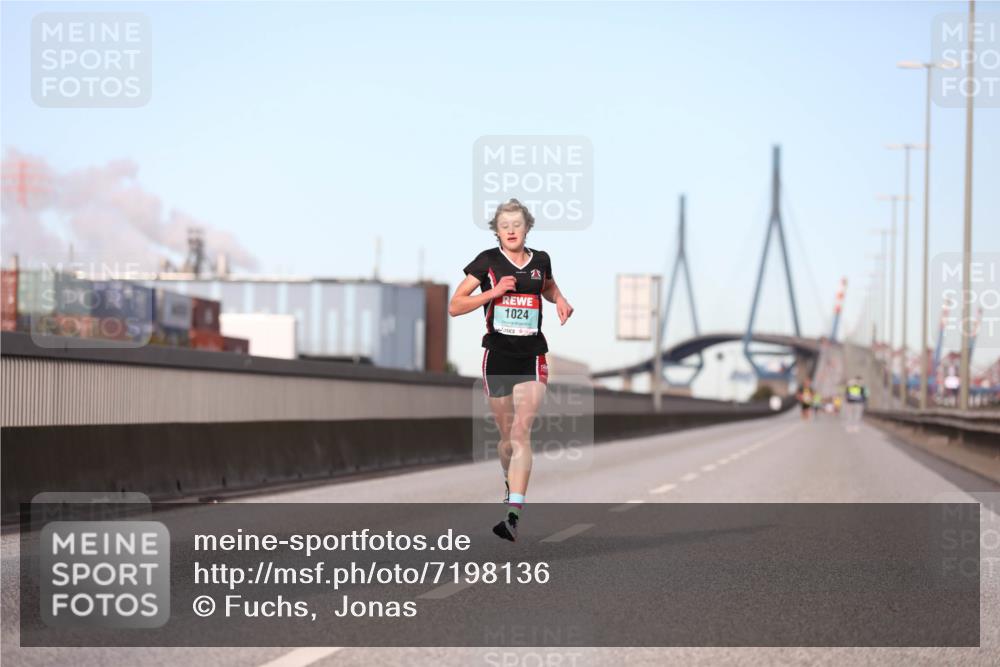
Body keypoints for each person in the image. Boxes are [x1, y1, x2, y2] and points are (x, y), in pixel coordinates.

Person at [449, 198, 574, 542]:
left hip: (532, 355)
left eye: (517, 224)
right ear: (497, 231)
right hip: (498, 357)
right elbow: (455, 306)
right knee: (506, 440)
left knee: (521, 433)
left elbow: (547, 286)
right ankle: (510, 483)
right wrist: (492, 292)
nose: (511, 230)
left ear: (527, 227)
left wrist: (560, 299)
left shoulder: (541, 260)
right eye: (504, 226)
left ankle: (513, 515)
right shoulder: (487, 261)